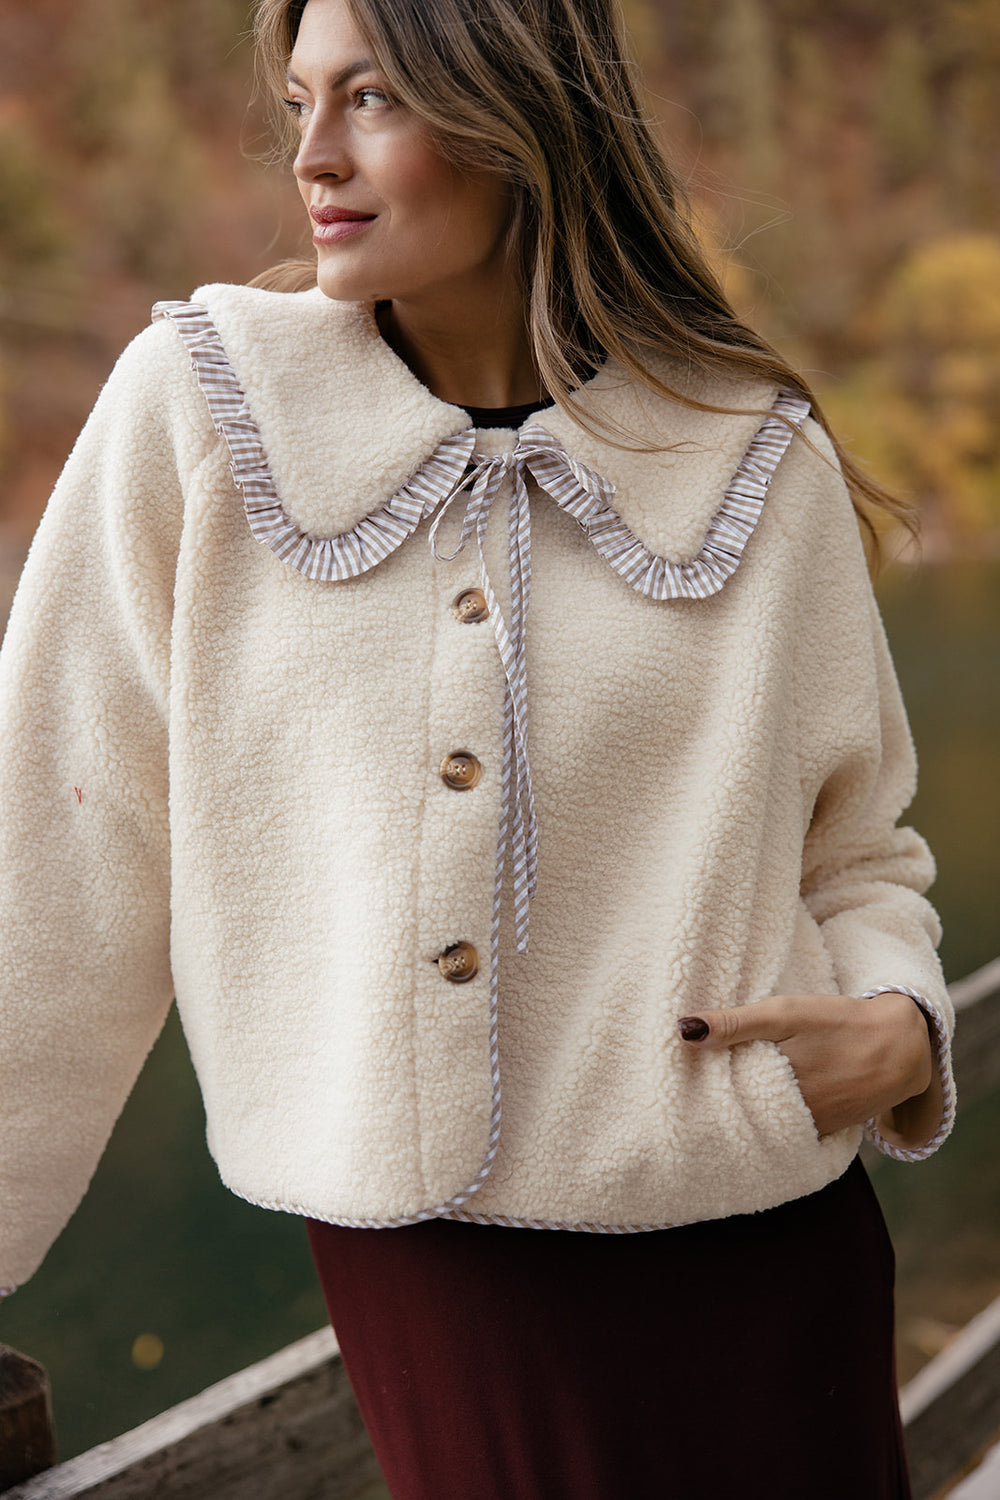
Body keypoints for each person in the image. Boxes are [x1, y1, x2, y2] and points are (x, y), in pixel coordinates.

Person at [0, 0, 955, 1495]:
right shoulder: (202, 410)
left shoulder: (751, 455)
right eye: (301, 101)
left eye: (373, 98)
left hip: (768, 1243)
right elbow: (55, 867)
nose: (313, 155)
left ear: (521, 119)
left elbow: (860, 851)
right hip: (444, 1273)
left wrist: (902, 1020)